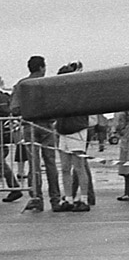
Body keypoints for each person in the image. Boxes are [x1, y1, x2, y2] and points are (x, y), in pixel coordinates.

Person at [12, 56, 62, 213]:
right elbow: (57, 106)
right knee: (51, 164)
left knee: (34, 165)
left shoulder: (21, 85)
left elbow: (14, 109)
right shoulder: (49, 84)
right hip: (47, 126)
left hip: (30, 126)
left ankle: (36, 198)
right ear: (41, 68)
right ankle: (55, 199)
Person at [52, 62, 94, 212]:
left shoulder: (78, 94)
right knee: (64, 167)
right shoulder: (59, 94)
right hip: (63, 130)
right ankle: (68, 198)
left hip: (76, 130)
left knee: (79, 166)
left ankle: (84, 198)